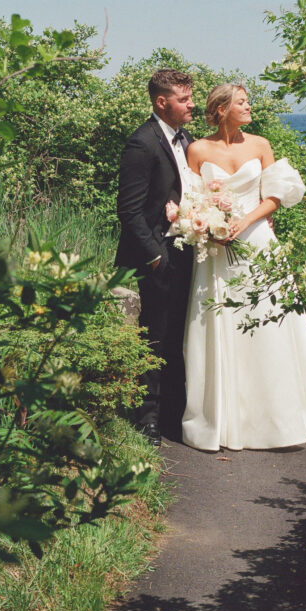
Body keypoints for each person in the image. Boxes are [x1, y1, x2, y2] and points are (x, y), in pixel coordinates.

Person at [181, 84, 306, 452]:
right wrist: (207, 224)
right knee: (223, 326)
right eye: (241, 102)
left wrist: (243, 222)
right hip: (217, 252)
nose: (248, 106)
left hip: (257, 242)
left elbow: (275, 196)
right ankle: (226, 418)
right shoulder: (198, 149)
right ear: (221, 109)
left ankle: (283, 415)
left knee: (272, 324)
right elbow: (191, 197)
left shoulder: (261, 144)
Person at [115, 69, 195, 445]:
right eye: (184, 99)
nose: (192, 104)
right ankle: (146, 418)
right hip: (157, 258)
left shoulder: (186, 139)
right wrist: (155, 260)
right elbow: (129, 212)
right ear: (162, 103)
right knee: (154, 338)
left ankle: (172, 416)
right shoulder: (141, 143)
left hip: (184, 252)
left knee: (179, 336)